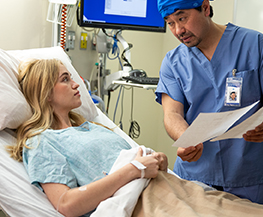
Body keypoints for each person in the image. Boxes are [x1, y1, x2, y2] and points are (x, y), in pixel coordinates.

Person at [155, 0, 263, 206]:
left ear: (205, 8)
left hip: (248, 171)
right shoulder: (173, 62)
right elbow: (172, 114)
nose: (178, 30)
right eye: (170, 22)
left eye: (182, 18)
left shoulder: (255, 45)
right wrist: (185, 139)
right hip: (196, 173)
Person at [8, 58, 168, 217]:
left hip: (164, 189)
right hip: (142, 205)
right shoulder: (41, 141)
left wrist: (156, 161)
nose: (76, 84)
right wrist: (134, 170)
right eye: (65, 79)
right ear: (46, 93)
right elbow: (65, 204)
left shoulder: (93, 127)